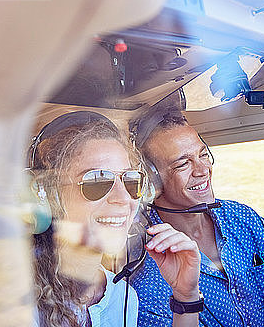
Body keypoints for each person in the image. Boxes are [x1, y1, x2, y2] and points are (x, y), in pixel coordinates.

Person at [129, 109, 264, 326]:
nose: (202, 170)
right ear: (152, 182)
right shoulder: (149, 275)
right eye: (183, 164)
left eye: (203, 155)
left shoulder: (240, 217)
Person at [29, 111, 201, 327]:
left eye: (131, 180)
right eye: (97, 180)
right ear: (49, 195)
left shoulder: (122, 297)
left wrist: (186, 296)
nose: (123, 199)